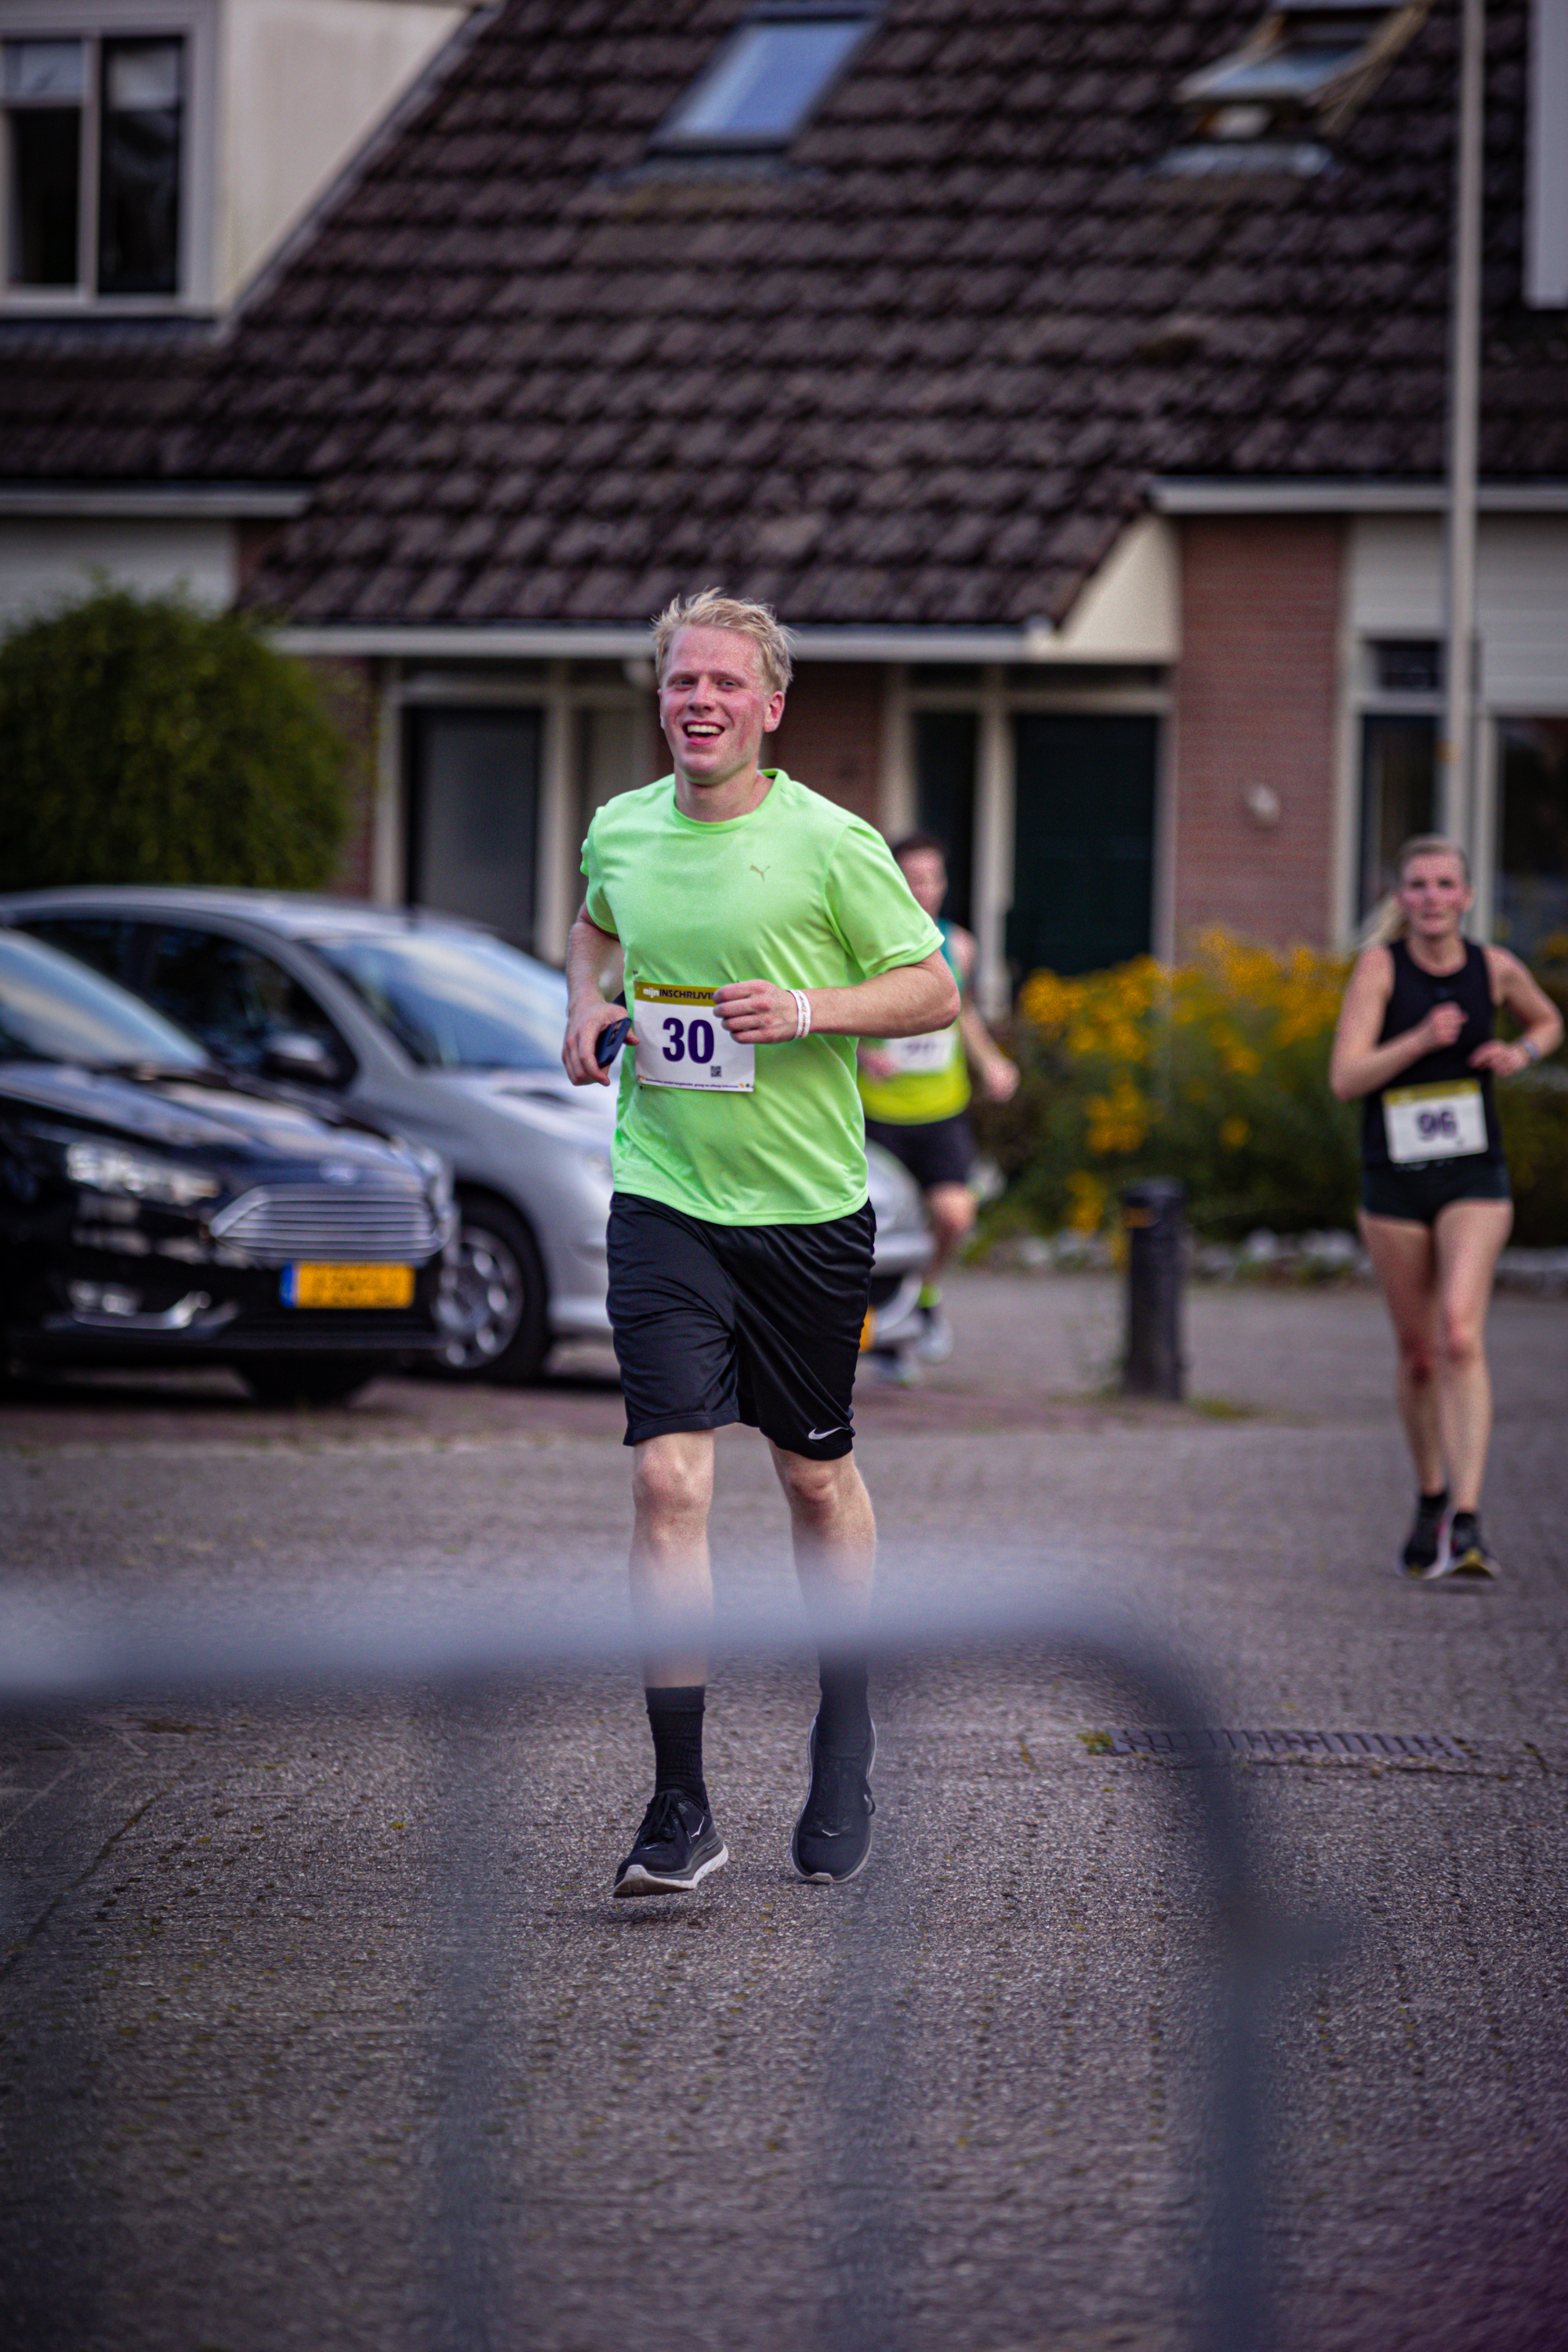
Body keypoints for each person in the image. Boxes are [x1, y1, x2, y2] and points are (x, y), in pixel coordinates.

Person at [561, 589, 958, 1895]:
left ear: (770, 706)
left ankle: (844, 1728)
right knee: (669, 1486)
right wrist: (583, 1008)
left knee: (808, 1480)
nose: (701, 704)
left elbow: (932, 986)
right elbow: (597, 923)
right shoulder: (619, 825)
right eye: (682, 684)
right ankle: (679, 1805)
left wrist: (809, 1007)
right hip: (664, 1194)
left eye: (726, 685)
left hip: (804, 1215)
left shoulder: (832, 843)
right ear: (660, 696)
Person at [1330, 835, 1561, 1580]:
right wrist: (1421, 1039)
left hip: (1472, 1177)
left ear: (1466, 896)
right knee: (1420, 1353)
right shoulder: (1380, 968)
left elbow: (1549, 1021)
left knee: (1462, 1333)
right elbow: (1346, 1077)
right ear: (1401, 899)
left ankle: (1467, 1520)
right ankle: (1430, 1494)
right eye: (1418, 886)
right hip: (1394, 1181)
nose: (1431, 898)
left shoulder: (1493, 968)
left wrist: (1520, 1055)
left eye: (1445, 885)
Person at [855, 833, 1018, 1364]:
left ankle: (923, 1296)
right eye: (913, 878)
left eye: (933, 878)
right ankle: (878, 1330)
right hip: (879, 1114)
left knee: (955, 1217)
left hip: (941, 1110)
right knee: (873, 1233)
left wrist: (991, 1062)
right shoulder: (865, 942)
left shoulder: (960, 945)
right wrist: (863, 1053)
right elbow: (842, 1010)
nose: (925, 889)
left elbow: (962, 1012)